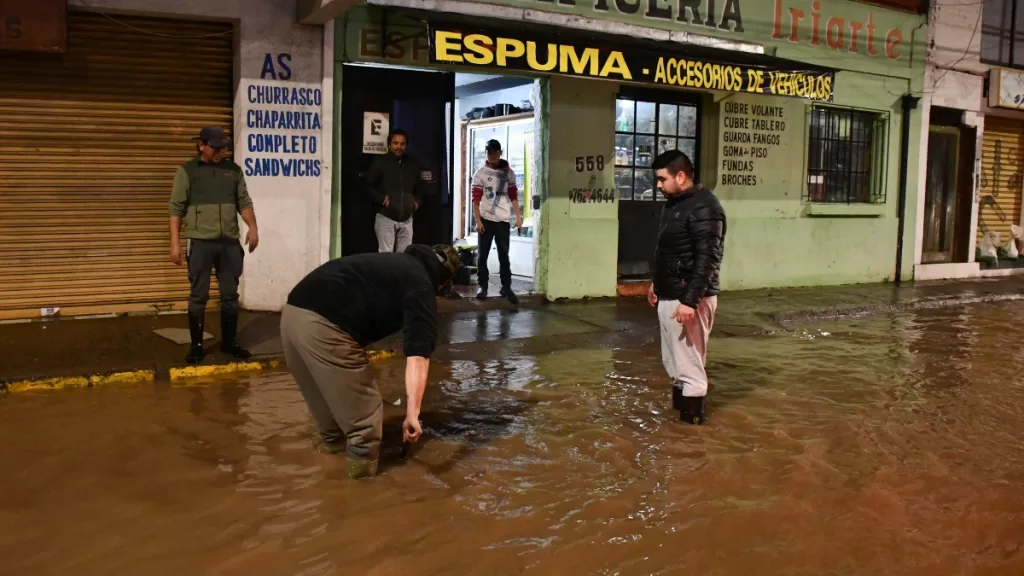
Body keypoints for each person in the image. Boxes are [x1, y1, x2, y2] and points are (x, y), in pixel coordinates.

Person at [280, 244, 460, 479]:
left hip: (292, 314)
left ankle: (328, 477)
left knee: (332, 422)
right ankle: (360, 495)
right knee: (365, 424)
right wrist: (412, 414)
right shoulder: (422, 286)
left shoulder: (394, 263)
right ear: (443, 283)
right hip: (323, 327)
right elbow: (418, 356)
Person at [647, 150, 726, 425]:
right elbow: (666, 249)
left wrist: (690, 301)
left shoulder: (706, 207)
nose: (658, 185)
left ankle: (690, 435)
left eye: (661, 179)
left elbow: (708, 259)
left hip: (689, 299)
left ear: (680, 177)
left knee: (690, 368)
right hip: (671, 295)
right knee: (674, 365)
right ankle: (678, 429)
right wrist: (656, 284)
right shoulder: (674, 204)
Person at [169, 126, 259, 365]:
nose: (221, 151)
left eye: (224, 147)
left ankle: (229, 343)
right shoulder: (187, 172)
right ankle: (197, 347)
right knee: (198, 295)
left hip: (229, 242)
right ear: (202, 145)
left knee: (230, 295)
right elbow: (176, 208)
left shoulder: (233, 171)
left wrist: (252, 227)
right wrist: (175, 243)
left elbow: (244, 201)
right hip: (200, 242)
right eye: (216, 147)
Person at [472, 139, 523, 303]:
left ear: (500, 153)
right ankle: (483, 286)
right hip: (486, 220)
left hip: (502, 221)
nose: (492, 155)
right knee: (482, 256)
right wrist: (478, 221)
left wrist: (518, 217)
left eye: (495, 152)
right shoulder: (480, 174)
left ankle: (506, 287)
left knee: (504, 256)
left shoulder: (509, 173)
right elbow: (476, 200)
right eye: (489, 152)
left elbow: (514, 196)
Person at [367, 129, 425, 253]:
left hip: (407, 219)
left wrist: (416, 202)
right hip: (386, 217)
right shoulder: (380, 162)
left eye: (402, 144)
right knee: (386, 258)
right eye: (395, 143)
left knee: (404, 258)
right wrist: (383, 200)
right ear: (389, 144)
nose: (399, 147)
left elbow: (419, 188)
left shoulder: (412, 164)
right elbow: (368, 186)